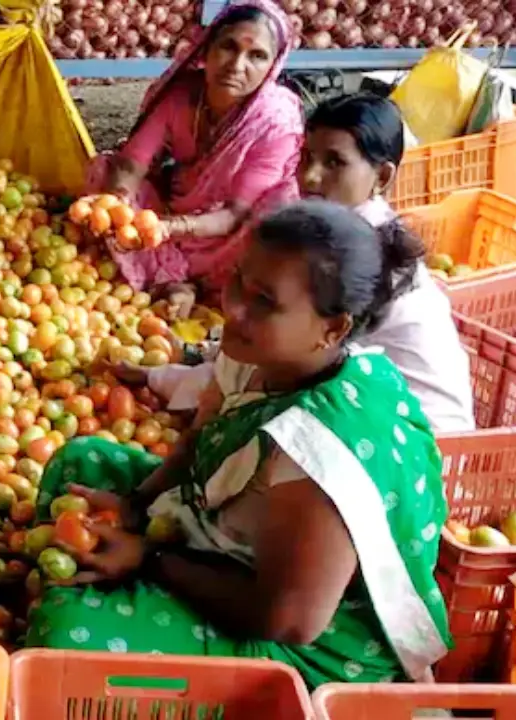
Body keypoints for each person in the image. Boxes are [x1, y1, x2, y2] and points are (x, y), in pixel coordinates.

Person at [27, 201, 450, 689]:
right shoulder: (258, 355)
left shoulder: (319, 451)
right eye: (238, 282)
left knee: (66, 638)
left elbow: (287, 619)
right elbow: (200, 438)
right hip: (225, 538)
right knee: (80, 461)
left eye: (265, 301)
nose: (234, 308)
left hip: (303, 644)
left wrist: (150, 559)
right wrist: (135, 506)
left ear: (333, 329)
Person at [135, 94, 475, 431]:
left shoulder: (355, 256)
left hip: (416, 445)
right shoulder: (343, 234)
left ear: (383, 177)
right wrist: (196, 359)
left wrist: (160, 378)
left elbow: (274, 366)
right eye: (307, 157)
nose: (310, 177)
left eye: (334, 163)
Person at [88, 0, 303, 305]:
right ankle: (173, 280)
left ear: (273, 66)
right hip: (174, 210)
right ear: (206, 49)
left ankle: (184, 281)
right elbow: (132, 164)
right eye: (228, 47)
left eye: (257, 56)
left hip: (229, 236)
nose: (237, 65)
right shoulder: (183, 94)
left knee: (276, 214)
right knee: (103, 171)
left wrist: (169, 228)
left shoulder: (275, 121)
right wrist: (117, 204)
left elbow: (235, 214)